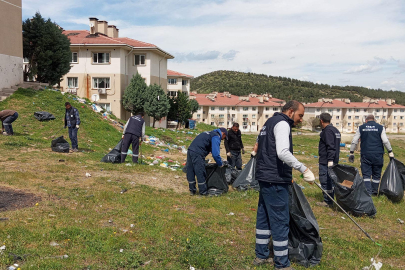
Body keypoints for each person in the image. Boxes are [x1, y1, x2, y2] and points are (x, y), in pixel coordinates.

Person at [252, 100, 315, 269]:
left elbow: (257, 147)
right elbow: (282, 152)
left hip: (265, 177)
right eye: (300, 115)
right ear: (290, 112)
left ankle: (261, 255)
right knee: (280, 220)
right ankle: (281, 263)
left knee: (264, 216)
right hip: (275, 179)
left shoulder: (269, 122)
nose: (301, 119)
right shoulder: (282, 124)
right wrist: (304, 169)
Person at [349, 114, 394, 195]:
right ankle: (374, 192)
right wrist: (390, 152)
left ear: (366, 120)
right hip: (378, 154)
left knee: (366, 174)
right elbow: (385, 141)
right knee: (376, 174)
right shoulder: (380, 127)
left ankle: (368, 192)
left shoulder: (361, 127)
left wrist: (351, 153)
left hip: (366, 154)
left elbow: (354, 141)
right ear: (374, 120)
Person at [186, 127, 228, 196]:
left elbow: (210, 147)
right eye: (224, 137)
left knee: (191, 170)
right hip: (198, 153)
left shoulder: (208, 133)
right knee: (200, 171)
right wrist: (220, 164)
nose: (223, 139)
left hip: (190, 150)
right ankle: (203, 192)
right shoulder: (216, 136)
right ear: (223, 133)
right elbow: (215, 154)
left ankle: (192, 190)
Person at [317, 113, 341, 207]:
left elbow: (330, 146)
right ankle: (331, 199)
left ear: (321, 120)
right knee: (331, 181)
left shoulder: (327, 131)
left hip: (326, 161)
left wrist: (330, 160)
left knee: (325, 180)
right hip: (334, 160)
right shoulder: (335, 130)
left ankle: (327, 201)